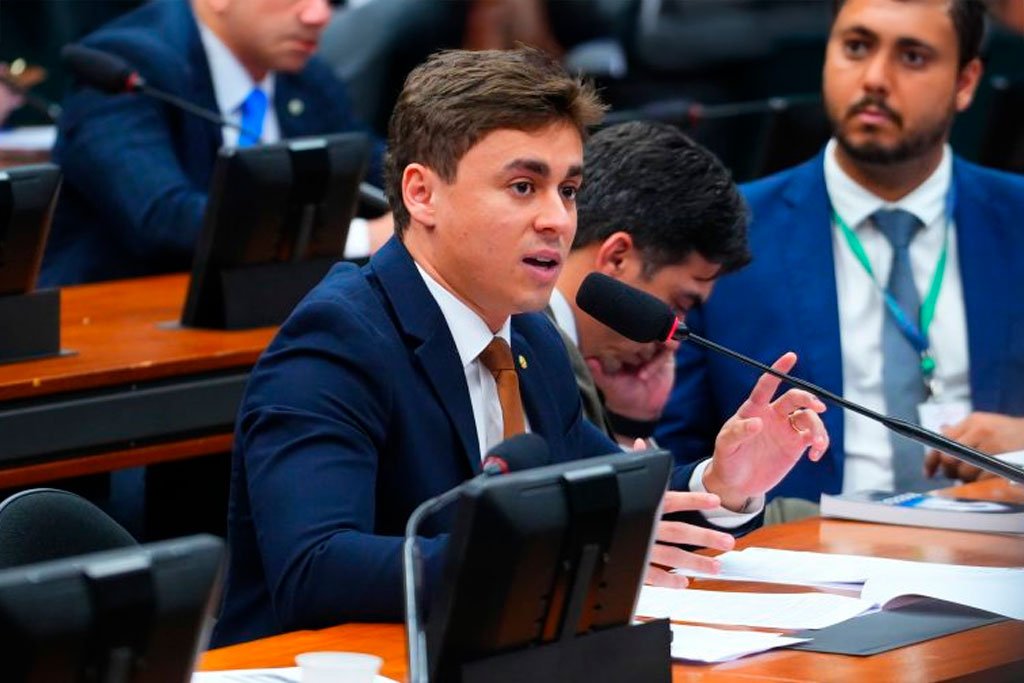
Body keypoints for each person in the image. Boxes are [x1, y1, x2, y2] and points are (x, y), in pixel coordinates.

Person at [211, 47, 829, 647]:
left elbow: (610, 499)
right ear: (422, 194)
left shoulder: (529, 335)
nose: (559, 220)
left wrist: (723, 481)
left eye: (569, 190)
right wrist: (540, 554)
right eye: (524, 187)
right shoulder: (337, 341)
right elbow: (316, 568)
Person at [656, 0, 1024, 515]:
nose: (874, 78)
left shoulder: (1015, 219)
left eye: (912, 57)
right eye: (856, 47)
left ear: (966, 82)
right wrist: (730, 491)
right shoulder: (727, 233)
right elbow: (669, 454)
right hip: (796, 550)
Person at [40, 0, 386, 287]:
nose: (319, 14)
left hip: (266, 311)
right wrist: (358, 238)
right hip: (117, 322)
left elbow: (375, 167)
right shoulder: (126, 68)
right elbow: (163, 218)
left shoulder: (303, 75)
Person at [550, 120, 751, 445]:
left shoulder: (559, 359)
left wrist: (631, 421)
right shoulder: (520, 346)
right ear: (617, 258)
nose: (673, 341)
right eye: (679, 304)